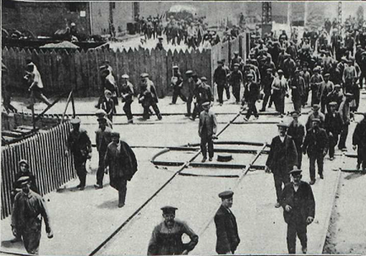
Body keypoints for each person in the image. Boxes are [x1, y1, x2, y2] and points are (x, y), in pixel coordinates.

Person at [11, 176, 53, 255]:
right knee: (28, 248)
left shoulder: (37, 198)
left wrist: (48, 229)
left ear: (29, 184)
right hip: (24, 228)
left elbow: (45, 214)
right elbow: (14, 212)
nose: (24, 187)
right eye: (22, 186)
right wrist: (14, 226)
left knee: (33, 250)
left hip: (34, 228)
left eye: (26, 185)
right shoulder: (18, 197)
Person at [280, 168, 315, 254]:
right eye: (294, 177)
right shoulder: (287, 187)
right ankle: (291, 252)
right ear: (291, 177)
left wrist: (311, 215)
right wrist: (285, 206)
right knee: (290, 237)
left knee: (302, 234)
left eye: (298, 177)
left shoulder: (306, 186)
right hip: (291, 216)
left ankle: (304, 245)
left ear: (300, 177)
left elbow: (311, 201)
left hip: (302, 216)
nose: (296, 179)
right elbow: (281, 199)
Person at [266, 122, 298, 207]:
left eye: (283, 129)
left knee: (287, 184)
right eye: (280, 129)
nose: (281, 131)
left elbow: (294, 153)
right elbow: (271, 153)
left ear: (286, 130)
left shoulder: (290, 140)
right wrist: (268, 165)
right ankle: (279, 200)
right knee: (277, 184)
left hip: (286, 167)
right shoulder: (275, 140)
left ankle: (288, 200)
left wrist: (295, 164)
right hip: (277, 167)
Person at [104, 131, 137, 208]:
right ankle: (121, 191)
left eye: (115, 138)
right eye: (112, 138)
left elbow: (131, 155)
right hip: (114, 169)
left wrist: (132, 166)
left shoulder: (124, 145)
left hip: (123, 169)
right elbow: (107, 157)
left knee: (123, 185)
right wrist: (105, 167)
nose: (113, 139)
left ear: (118, 138)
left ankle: (121, 201)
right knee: (113, 183)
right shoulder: (110, 146)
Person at [65, 117, 92, 190]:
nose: (75, 127)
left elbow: (88, 142)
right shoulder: (71, 133)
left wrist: (89, 152)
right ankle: (81, 182)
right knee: (77, 168)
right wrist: (67, 150)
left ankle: (83, 183)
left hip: (83, 152)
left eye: (76, 125)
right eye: (73, 125)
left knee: (82, 168)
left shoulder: (83, 132)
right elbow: (68, 142)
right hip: (75, 152)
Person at [302, 118, 329, 185]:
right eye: (313, 123)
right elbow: (306, 141)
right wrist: (304, 149)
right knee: (311, 165)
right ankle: (312, 178)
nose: (314, 124)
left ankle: (320, 172)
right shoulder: (309, 131)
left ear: (318, 124)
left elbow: (326, 142)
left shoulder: (322, 132)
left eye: (316, 123)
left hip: (319, 150)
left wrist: (325, 150)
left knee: (320, 163)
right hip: (311, 151)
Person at [94, 117, 112, 189]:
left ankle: (112, 180)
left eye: (102, 123)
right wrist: (98, 148)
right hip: (102, 151)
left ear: (105, 123)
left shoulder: (109, 131)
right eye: (99, 123)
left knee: (111, 166)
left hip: (109, 151)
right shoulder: (98, 131)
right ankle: (99, 182)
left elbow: (112, 141)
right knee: (101, 166)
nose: (100, 124)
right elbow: (97, 141)